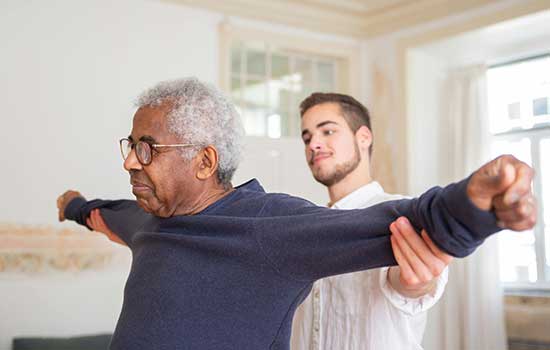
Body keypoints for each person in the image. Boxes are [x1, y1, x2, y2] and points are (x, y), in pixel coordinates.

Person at [56, 77, 536, 350]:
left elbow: (397, 221)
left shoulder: (269, 225)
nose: (129, 161)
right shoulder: (147, 222)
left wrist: (478, 205)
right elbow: (107, 214)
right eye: (130, 145)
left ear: (204, 161)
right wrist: (75, 206)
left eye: (146, 148)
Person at [292, 93, 452, 350]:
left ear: (363, 137)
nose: (314, 144)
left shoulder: (403, 215)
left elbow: (411, 286)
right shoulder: (304, 228)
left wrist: (417, 281)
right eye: (307, 137)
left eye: (328, 131)